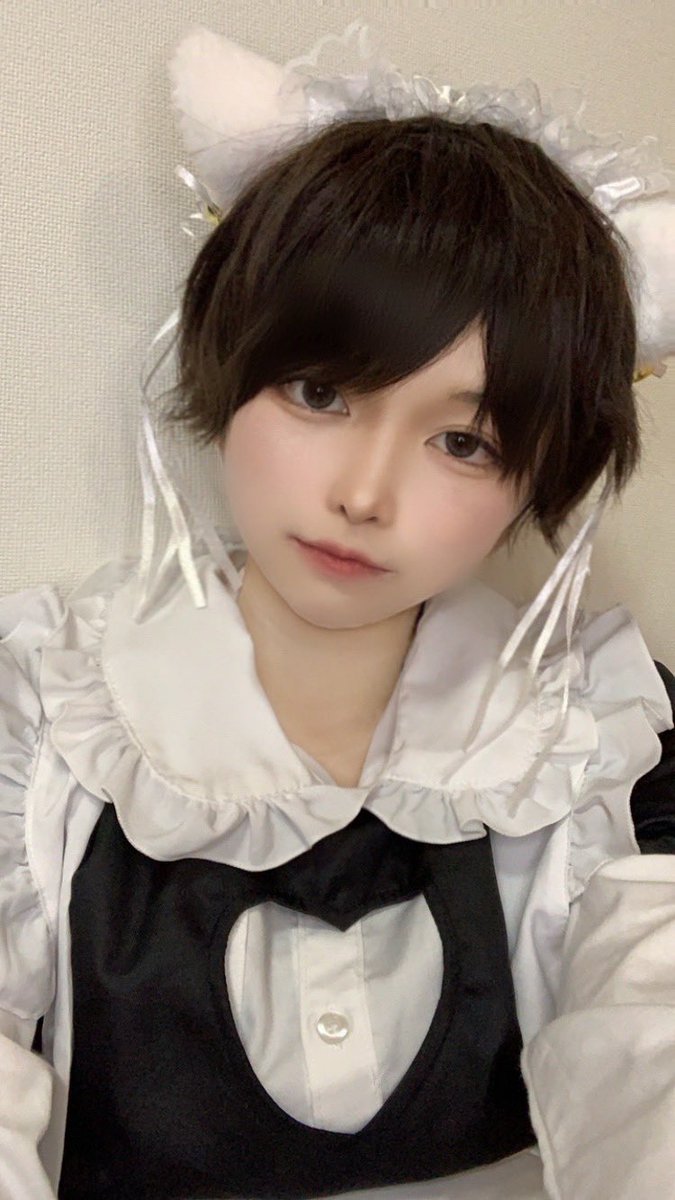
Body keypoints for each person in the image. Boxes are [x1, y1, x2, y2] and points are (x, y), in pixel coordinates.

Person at [1, 19, 674, 1200]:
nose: (365, 494)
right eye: (321, 392)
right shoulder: (42, 722)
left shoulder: (609, 745)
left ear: (540, 477)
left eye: (464, 442)